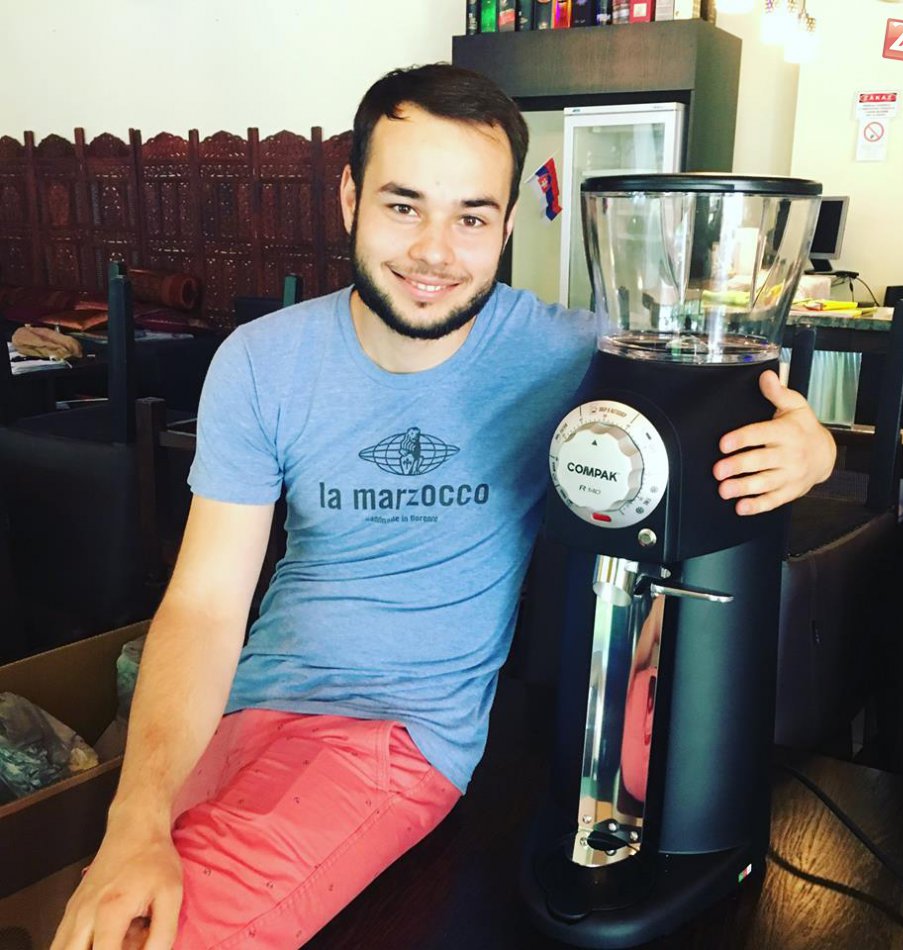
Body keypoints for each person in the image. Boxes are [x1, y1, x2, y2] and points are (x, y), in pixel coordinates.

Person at [53, 63, 836, 950]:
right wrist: (135, 818)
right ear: (350, 197)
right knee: (96, 915)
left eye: (470, 217)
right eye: (403, 205)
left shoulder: (573, 356)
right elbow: (203, 604)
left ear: (507, 225)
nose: (434, 252)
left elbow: (734, 398)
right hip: (238, 707)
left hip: (392, 739)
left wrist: (815, 450)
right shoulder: (261, 361)